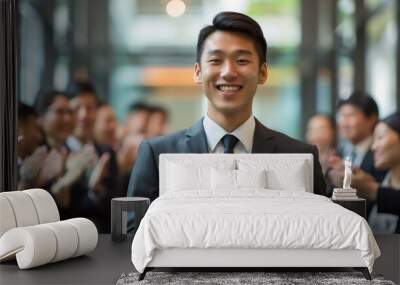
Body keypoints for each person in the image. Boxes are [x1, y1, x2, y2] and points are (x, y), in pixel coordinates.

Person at [127, 11, 327, 201]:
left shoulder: (299, 156)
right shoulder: (157, 154)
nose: (228, 72)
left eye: (242, 60)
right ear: (197, 72)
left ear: (263, 73)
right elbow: (133, 234)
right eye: (215, 60)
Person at [66, 80, 120, 233]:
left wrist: (98, 191)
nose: (84, 115)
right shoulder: (61, 153)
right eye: (77, 108)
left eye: (90, 108)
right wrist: (92, 191)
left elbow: (115, 202)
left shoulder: (107, 152)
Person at [326, 93, 386, 193]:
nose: (344, 123)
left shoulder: (381, 154)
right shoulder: (339, 153)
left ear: (371, 118)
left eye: (350, 115)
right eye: (341, 116)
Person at [351, 112, 400, 233]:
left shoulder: (375, 186)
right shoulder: (378, 179)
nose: (374, 147)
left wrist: (374, 191)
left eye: (380, 137)